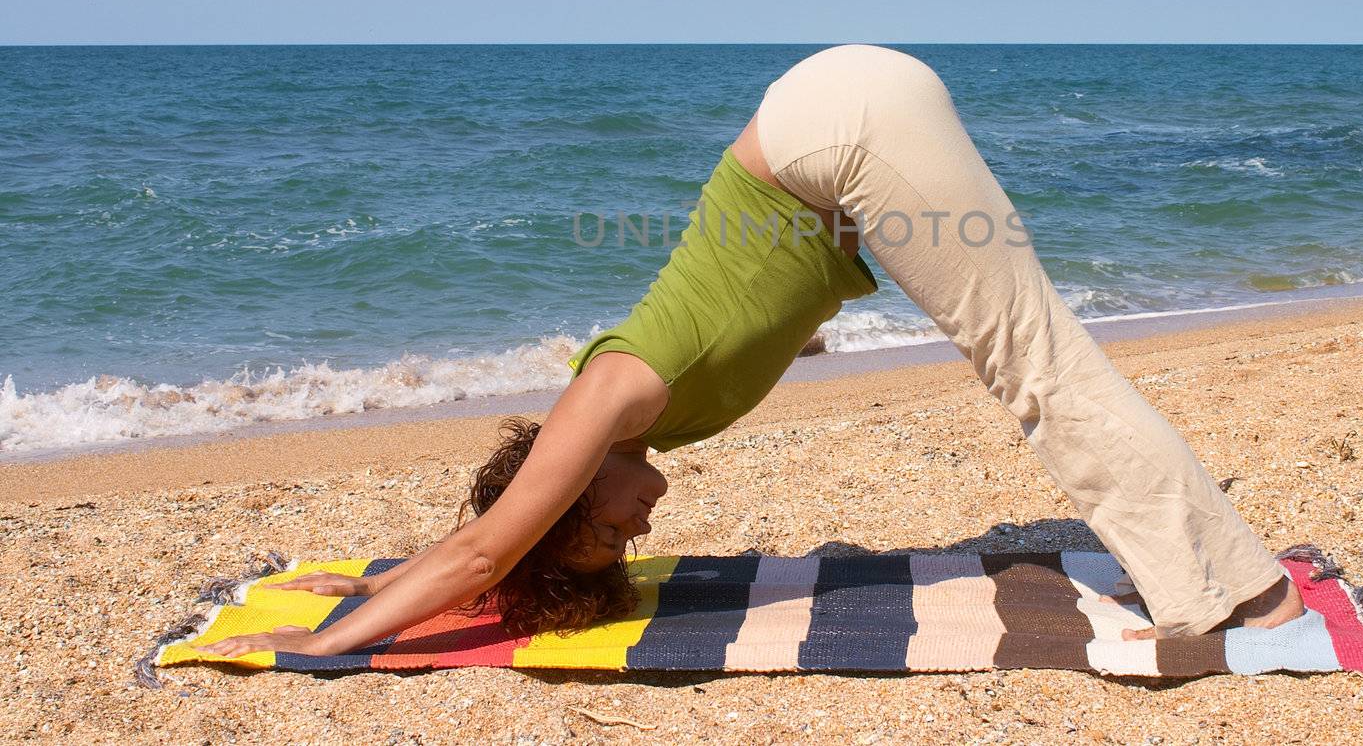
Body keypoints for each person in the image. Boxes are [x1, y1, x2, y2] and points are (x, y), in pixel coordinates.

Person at [206, 44, 1302, 659]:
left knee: (1036, 365)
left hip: (842, 129)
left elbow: (487, 555)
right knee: (1031, 362)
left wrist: (321, 641)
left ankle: (1229, 594)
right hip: (827, 127)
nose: (642, 527)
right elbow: (482, 546)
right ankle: (1225, 579)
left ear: (570, 491)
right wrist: (405, 576)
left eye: (604, 536)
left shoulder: (606, 397)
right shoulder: (633, 418)